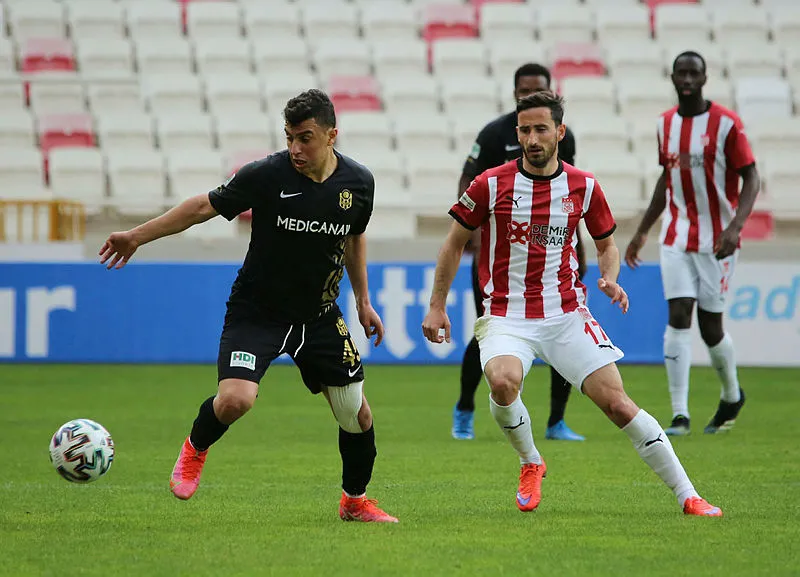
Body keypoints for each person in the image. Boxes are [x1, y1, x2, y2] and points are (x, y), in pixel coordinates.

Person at [99, 89, 398, 523]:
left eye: (305, 138)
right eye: (289, 137)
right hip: (258, 312)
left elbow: (354, 236)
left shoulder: (359, 183)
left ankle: (354, 502)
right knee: (236, 400)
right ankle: (195, 447)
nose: (295, 148)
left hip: (319, 316)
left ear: (332, 135)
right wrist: (136, 236)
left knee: (357, 415)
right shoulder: (267, 174)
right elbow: (202, 207)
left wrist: (363, 301)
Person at [422, 90, 723, 517]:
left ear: (560, 132)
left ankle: (689, 495)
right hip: (506, 314)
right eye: (524, 130)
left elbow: (607, 245)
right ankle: (531, 461)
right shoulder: (490, 183)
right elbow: (453, 244)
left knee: (618, 405)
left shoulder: (584, 186)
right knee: (503, 382)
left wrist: (610, 279)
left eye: (541, 129)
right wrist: (437, 305)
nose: (532, 139)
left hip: (565, 314)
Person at [625, 51, 759, 437]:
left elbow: (752, 177)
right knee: (679, 313)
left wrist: (735, 227)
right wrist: (643, 229)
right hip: (677, 236)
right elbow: (666, 178)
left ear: (704, 78)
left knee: (710, 326)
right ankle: (679, 414)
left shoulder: (726, 124)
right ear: (672, 78)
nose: (686, 79)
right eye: (681, 73)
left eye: (693, 73)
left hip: (718, 239)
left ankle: (731, 395)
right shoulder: (665, 124)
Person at [453, 62, 586, 442]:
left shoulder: (563, 137)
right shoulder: (494, 134)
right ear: (514, 94)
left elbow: (569, 194)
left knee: (563, 332)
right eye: (524, 91)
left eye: (537, 90)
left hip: (551, 254)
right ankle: (464, 408)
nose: (530, 96)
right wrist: (473, 232)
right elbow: (468, 180)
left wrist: (579, 245)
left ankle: (556, 421)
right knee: (486, 332)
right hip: (499, 259)